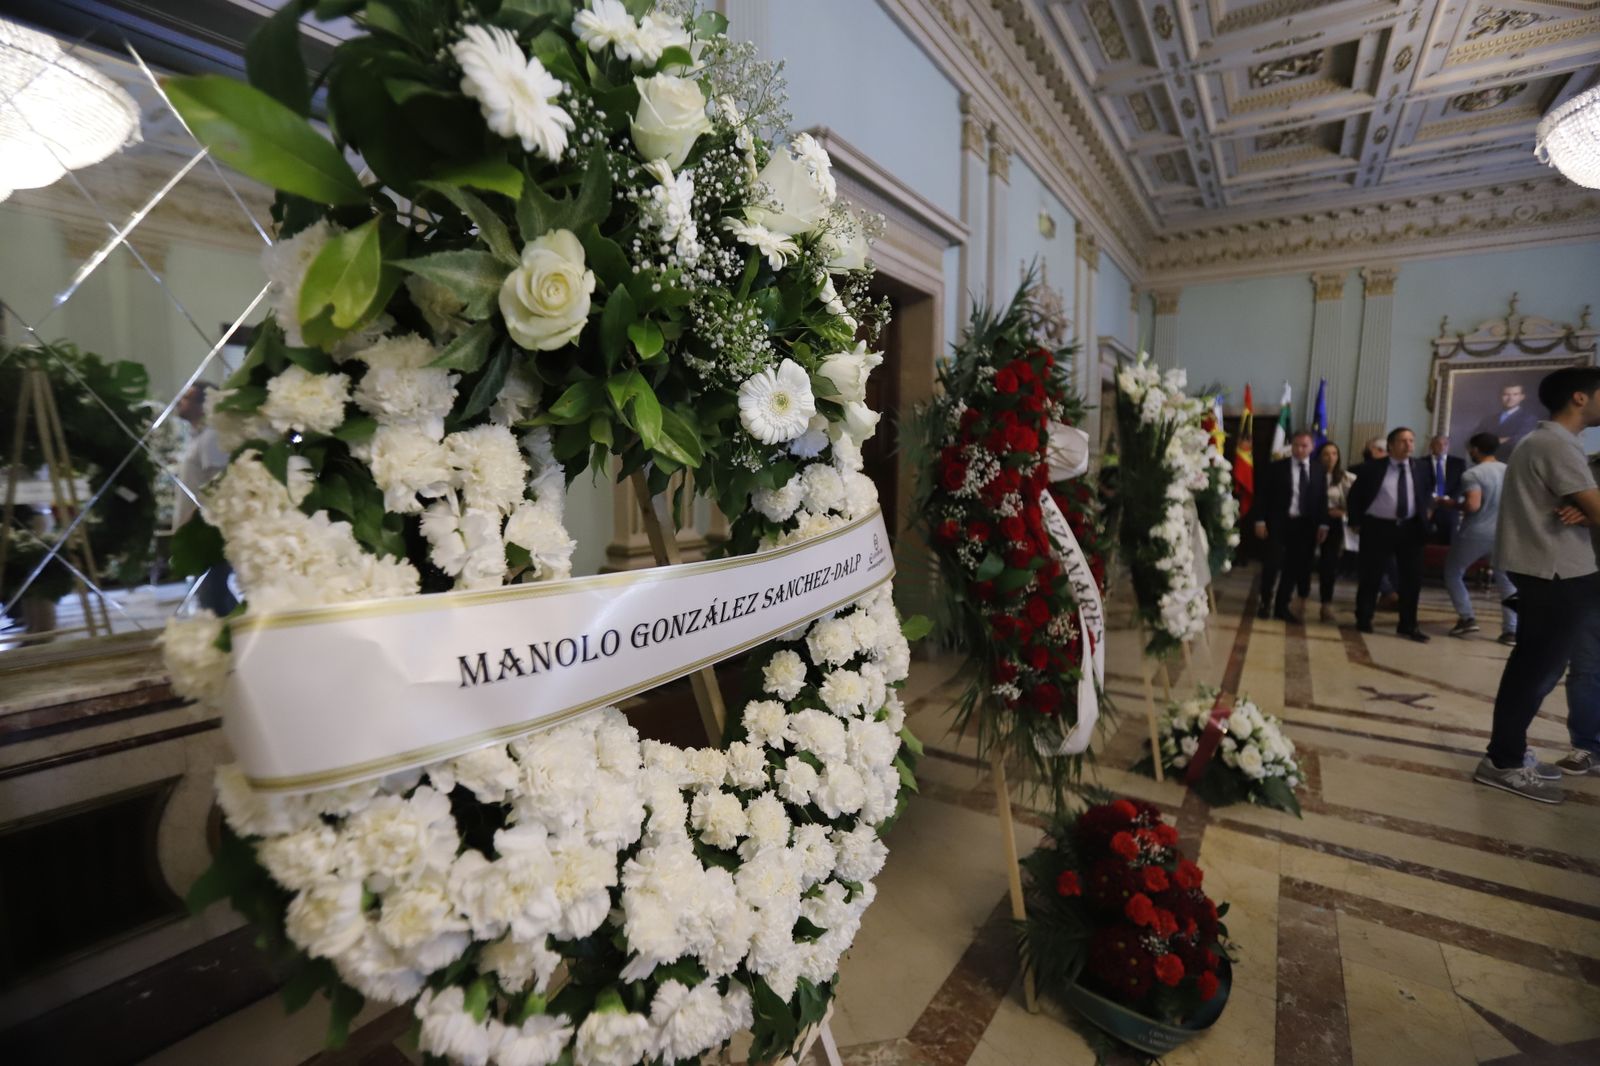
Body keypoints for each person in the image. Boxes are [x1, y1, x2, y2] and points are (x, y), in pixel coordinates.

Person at [1474, 366, 1600, 803]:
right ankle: (1503, 761)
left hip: (1555, 568)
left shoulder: (1551, 441)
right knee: (1536, 669)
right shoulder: (1554, 444)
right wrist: (1592, 508)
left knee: (1537, 666)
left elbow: (1591, 507)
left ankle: (1509, 751)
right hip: (1555, 571)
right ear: (1580, 398)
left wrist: (1587, 509)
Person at [1348, 426, 1431, 642]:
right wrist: (1355, 521)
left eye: (1411, 440)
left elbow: (1425, 494)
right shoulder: (1372, 468)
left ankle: (1408, 624)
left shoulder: (1421, 467)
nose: (1409, 445)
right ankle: (1364, 618)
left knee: (1411, 579)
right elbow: (1355, 497)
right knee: (1371, 576)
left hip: (1410, 528)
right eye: (1403, 441)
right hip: (1378, 527)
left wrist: (1426, 514)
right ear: (1391, 445)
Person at [1442, 433, 1516, 644]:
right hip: (1504, 533)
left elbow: (1472, 505)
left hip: (1476, 532)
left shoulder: (1473, 474)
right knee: (1506, 581)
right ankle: (1511, 630)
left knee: (1453, 572)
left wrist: (1452, 505)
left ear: (1475, 449)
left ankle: (1467, 618)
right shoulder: (1509, 471)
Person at [1553, 451, 1600, 778]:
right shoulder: (1586, 465)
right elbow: (1562, 510)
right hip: (1589, 577)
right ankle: (1586, 745)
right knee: (1585, 668)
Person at [1253, 430, 1327, 624]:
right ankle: (1265, 601)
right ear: (1291, 446)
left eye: (1304, 445)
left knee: (1294, 567)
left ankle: (1282, 606)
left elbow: (1322, 499)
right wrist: (1259, 520)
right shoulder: (1276, 468)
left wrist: (1323, 523)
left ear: (1312, 447)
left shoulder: (1318, 470)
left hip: (1304, 525)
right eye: (1296, 445)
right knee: (1272, 564)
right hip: (1278, 523)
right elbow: (1262, 496)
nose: (1300, 449)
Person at [174, 381, 235, 616]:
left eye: (187, 398)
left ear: (204, 404)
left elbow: (217, 486)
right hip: (198, 531)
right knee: (211, 594)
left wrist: (198, 522)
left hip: (208, 531)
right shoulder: (199, 437)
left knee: (213, 597)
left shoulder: (211, 437)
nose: (180, 402)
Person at [1316, 441, 1355, 622]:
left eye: (1334, 454)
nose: (1330, 458)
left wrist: (1344, 512)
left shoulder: (1346, 478)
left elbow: (1356, 503)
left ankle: (1326, 604)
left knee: (1329, 565)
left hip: (1334, 525)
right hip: (1312, 521)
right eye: (1326, 454)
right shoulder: (1312, 474)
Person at [1473, 382, 1539, 456]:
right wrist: (1506, 438)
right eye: (1506, 394)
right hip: (1487, 461)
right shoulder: (1489, 419)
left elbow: (1520, 440)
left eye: (1515, 394)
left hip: (1512, 462)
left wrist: (1488, 442)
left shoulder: (1529, 419)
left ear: (1522, 397)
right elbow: (1476, 438)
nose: (1510, 398)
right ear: (1500, 396)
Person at [1425, 434, 1466, 544]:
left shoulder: (1459, 463)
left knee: (1448, 544)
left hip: (1449, 508)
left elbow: (1461, 484)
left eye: (1445, 444)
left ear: (1449, 446)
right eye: (1438, 444)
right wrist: (1433, 498)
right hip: (1427, 507)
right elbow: (1418, 484)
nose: (1442, 447)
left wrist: (1446, 499)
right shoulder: (1420, 462)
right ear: (1431, 446)